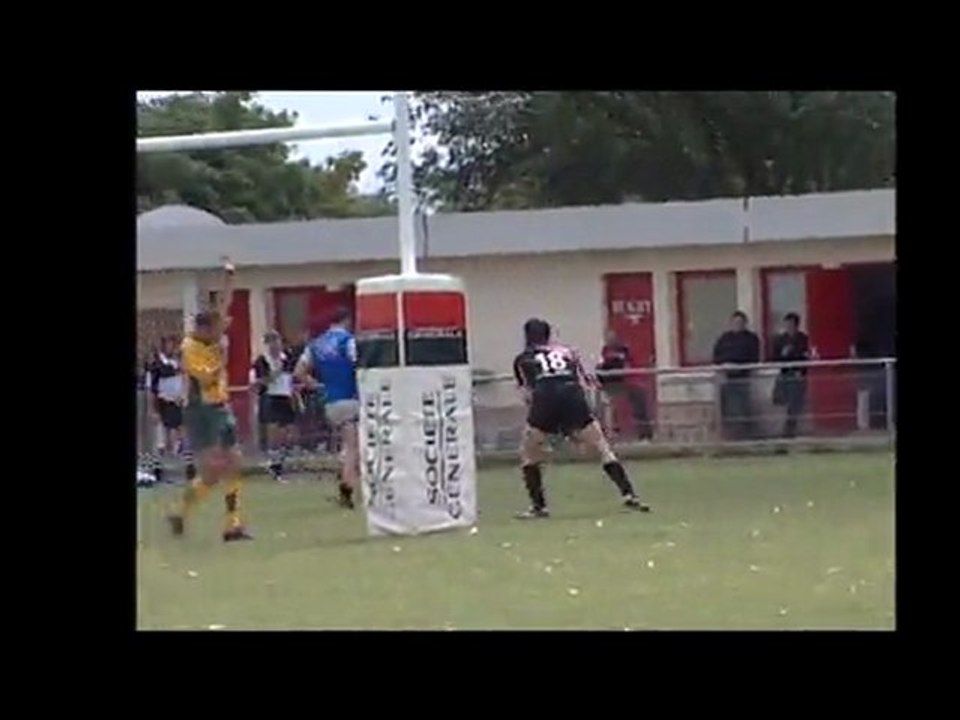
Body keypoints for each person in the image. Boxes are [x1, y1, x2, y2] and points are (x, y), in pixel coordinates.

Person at [512, 318, 650, 519]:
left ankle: (539, 507)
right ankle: (629, 494)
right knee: (603, 448)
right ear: (548, 335)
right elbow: (584, 381)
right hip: (572, 395)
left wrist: (542, 423)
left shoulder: (523, 358)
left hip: (546, 397)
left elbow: (528, 392)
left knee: (529, 454)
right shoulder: (567, 352)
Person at [166, 259, 253, 542]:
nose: (222, 331)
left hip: (219, 406)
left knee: (234, 462)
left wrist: (230, 277)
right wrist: (222, 362)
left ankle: (233, 525)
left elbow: (223, 306)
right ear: (204, 329)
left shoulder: (213, 335)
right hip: (201, 410)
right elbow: (205, 380)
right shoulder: (189, 348)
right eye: (216, 329)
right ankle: (180, 511)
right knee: (212, 471)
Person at [295, 307, 359, 508]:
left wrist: (317, 385)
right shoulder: (348, 341)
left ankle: (346, 481)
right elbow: (359, 365)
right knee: (353, 448)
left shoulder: (316, 344)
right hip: (350, 398)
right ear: (347, 320)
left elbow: (299, 372)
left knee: (346, 446)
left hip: (330, 401)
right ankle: (346, 489)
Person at [146, 335, 196, 484]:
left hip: (177, 402)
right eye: (170, 344)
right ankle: (157, 468)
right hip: (163, 402)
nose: (173, 348)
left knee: (182, 432)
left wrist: (184, 396)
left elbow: (184, 380)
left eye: (174, 345)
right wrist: (152, 409)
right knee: (163, 437)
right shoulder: (157, 365)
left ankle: (189, 465)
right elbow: (151, 389)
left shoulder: (177, 363)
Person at [253, 330, 299, 483]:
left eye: (276, 341)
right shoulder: (262, 361)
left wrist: (295, 395)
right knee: (275, 432)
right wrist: (276, 372)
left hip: (285, 397)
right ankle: (275, 465)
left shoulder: (288, 358)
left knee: (288, 434)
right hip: (271, 397)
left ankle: (279, 461)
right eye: (270, 342)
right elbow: (260, 382)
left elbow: (291, 379)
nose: (274, 345)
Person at [712, 311, 761, 440]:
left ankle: (745, 436)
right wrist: (725, 365)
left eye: (740, 322)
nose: (737, 325)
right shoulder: (725, 339)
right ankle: (729, 436)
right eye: (735, 322)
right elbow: (717, 356)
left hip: (744, 379)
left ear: (745, 323)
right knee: (727, 409)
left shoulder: (751, 339)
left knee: (743, 407)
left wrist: (738, 364)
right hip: (727, 379)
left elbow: (753, 357)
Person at [596, 330, 652, 441]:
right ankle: (615, 433)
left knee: (639, 408)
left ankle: (645, 435)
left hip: (633, 381)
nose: (609, 340)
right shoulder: (606, 350)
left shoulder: (625, 349)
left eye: (611, 337)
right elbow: (604, 364)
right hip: (615, 383)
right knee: (614, 408)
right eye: (607, 338)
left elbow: (633, 363)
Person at [770, 312, 810, 438]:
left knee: (795, 404)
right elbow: (774, 358)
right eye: (787, 324)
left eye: (792, 324)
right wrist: (783, 354)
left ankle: (789, 430)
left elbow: (806, 357)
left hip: (797, 375)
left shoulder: (803, 339)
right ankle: (780, 429)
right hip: (784, 375)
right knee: (780, 403)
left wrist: (801, 370)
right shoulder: (780, 340)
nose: (789, 327)